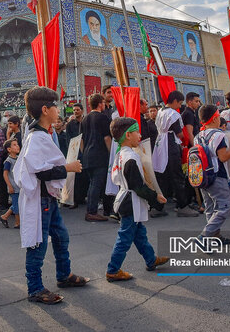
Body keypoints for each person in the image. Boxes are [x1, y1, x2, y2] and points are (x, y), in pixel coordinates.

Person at [16, 86, 87, 304]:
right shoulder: (37, 137)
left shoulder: (44, 133)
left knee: (60, 236)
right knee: (38, 243)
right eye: (56, 105)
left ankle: (64, 275)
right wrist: (68, 167)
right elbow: (42, 172)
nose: (59, 109)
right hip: (41, 199)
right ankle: (35, 288)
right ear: (45, 109)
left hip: (48, 198)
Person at [106, 117, 169, 281]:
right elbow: (137, 186)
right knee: (125, 238)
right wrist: (156, 197)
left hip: (126, 198)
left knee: (139, 234)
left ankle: (151, 259)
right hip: (130, 201)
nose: (139, 135)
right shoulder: (130, 157)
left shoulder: (121, 154)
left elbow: (117, 178)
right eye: (136, 132)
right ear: (128, 135)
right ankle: (113, 270)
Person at [195, 105, 230, 243]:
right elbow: (223, 157)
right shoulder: (219, 135)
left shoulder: (198, 135)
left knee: (210, 207)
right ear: (215, 119)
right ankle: (205, 236)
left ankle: (214, 236)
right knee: (224, 207)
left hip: (203, 176)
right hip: (216, 175)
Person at [152, 91, 197, 217]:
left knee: (162, 176)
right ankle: (182, 206)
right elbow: (179, 133)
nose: (179, 106)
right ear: (176, 101)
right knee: (177, 175)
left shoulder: (161, 111)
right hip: (170, 144)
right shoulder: (172, 114)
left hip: (160, 143)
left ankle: (158, 207)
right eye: (180, 103)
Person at [81, 93, 113, 221]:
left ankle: (106, 209)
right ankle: (92, 211)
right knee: (97, 184)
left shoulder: (85, 119)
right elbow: (107, 138)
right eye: (104, 102)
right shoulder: (102, 118)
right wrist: (111, 154)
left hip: (88, 155)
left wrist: (85, 153)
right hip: (100, 155)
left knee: (95, 184)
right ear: (100, 103)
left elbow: (81, 140)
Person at [0, 138, 21, 229]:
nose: (17, 146)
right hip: (14, 186)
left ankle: (4, 217)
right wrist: (9, 185)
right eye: (14, 145)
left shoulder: (18, 158)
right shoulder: (8, 161)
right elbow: (5, 174)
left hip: (19, 185)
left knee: (17, 203)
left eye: (17, 144)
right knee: (17, 206)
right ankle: (17, 222)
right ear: (9, 149)